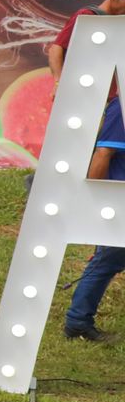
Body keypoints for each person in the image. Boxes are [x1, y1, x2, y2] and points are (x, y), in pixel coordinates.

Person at [63, 99, 125, 343]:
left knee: (108, 261)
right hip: (118, 202)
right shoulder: (120, 107)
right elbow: (103, 153)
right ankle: (77, 321)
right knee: (107, 260)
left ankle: (78, 320)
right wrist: (94, 202)